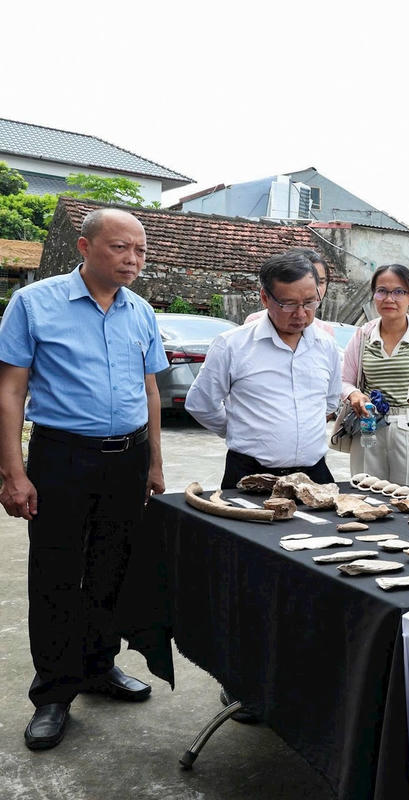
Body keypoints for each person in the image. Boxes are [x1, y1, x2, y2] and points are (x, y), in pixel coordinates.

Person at [0, 208, 168, 751]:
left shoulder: (141, 312)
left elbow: (150, 394)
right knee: (56, 574)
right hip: (62, 458)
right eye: (121, 247)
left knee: (111, 569)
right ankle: (52, 693)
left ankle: (99, 667)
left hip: (127, 460)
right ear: (85, 245)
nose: (133, 259)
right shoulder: (33, 304)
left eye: (140, 251)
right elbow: (10, 393)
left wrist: (155, 463)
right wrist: (13, 473)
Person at [186, 250, 341, 489]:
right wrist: (236, 428)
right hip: (250, 474)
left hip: (314, 475)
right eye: (288, 304)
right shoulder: (233, 345)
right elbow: (200, 403)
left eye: (310, 302)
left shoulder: (326, 345)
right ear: (265, 298)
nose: (301, 314)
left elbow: (329, 403)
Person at [341, 264, 409, 484]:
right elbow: (344, 380)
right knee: (366, 494)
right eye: (382, 291)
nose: (390, 298)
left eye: (399, 292)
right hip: (368, 425)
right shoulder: (363, 335)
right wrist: (354, 395)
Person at [242, 247, 336, 336]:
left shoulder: (325, 336)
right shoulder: (253, 325)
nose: (315, 289)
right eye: (289, 304)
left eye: (321, 282)